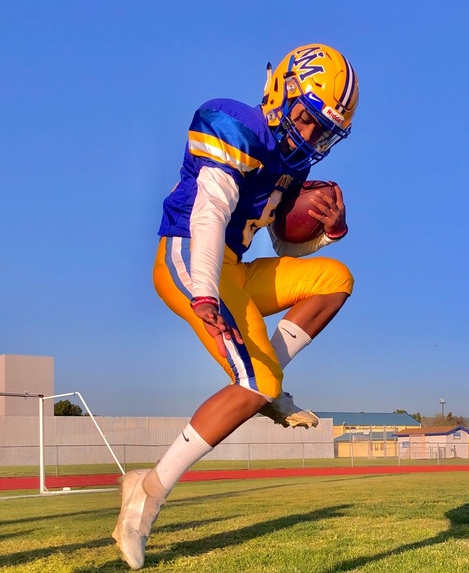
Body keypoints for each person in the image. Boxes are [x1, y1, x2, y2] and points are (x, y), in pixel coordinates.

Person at [112, 43, 359, 569]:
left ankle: (268, 383)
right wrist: (203, 288)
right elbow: (209, 212)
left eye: (324, 131)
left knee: (335, 279)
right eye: (307, 118)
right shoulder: (235, 125)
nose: (310, 136)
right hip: (189, 257)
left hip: (235, 268)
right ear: (283, 90)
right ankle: (145, 496)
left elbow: (284, 244)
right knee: (256, 383)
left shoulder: (292, 162)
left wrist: (329, 228)